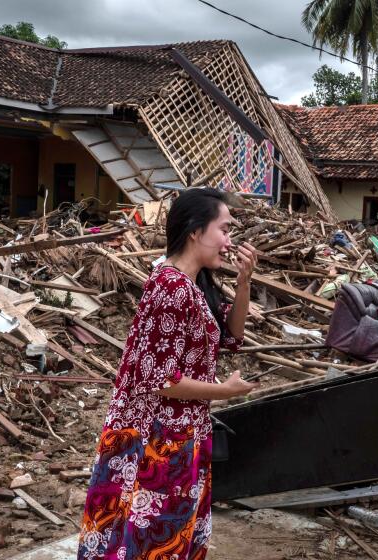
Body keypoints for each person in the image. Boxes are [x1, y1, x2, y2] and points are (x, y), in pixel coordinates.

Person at [77, 188, 258, 560]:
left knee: (160, 537)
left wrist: (243, 283)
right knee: (149, 540)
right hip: (155, 439)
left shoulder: (189, 284)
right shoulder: (171, 288)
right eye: (224, 230)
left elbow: (233, 336)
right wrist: (225, 391)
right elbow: (162, 381)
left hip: (178, 433)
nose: (229, 241)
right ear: (195, 231)